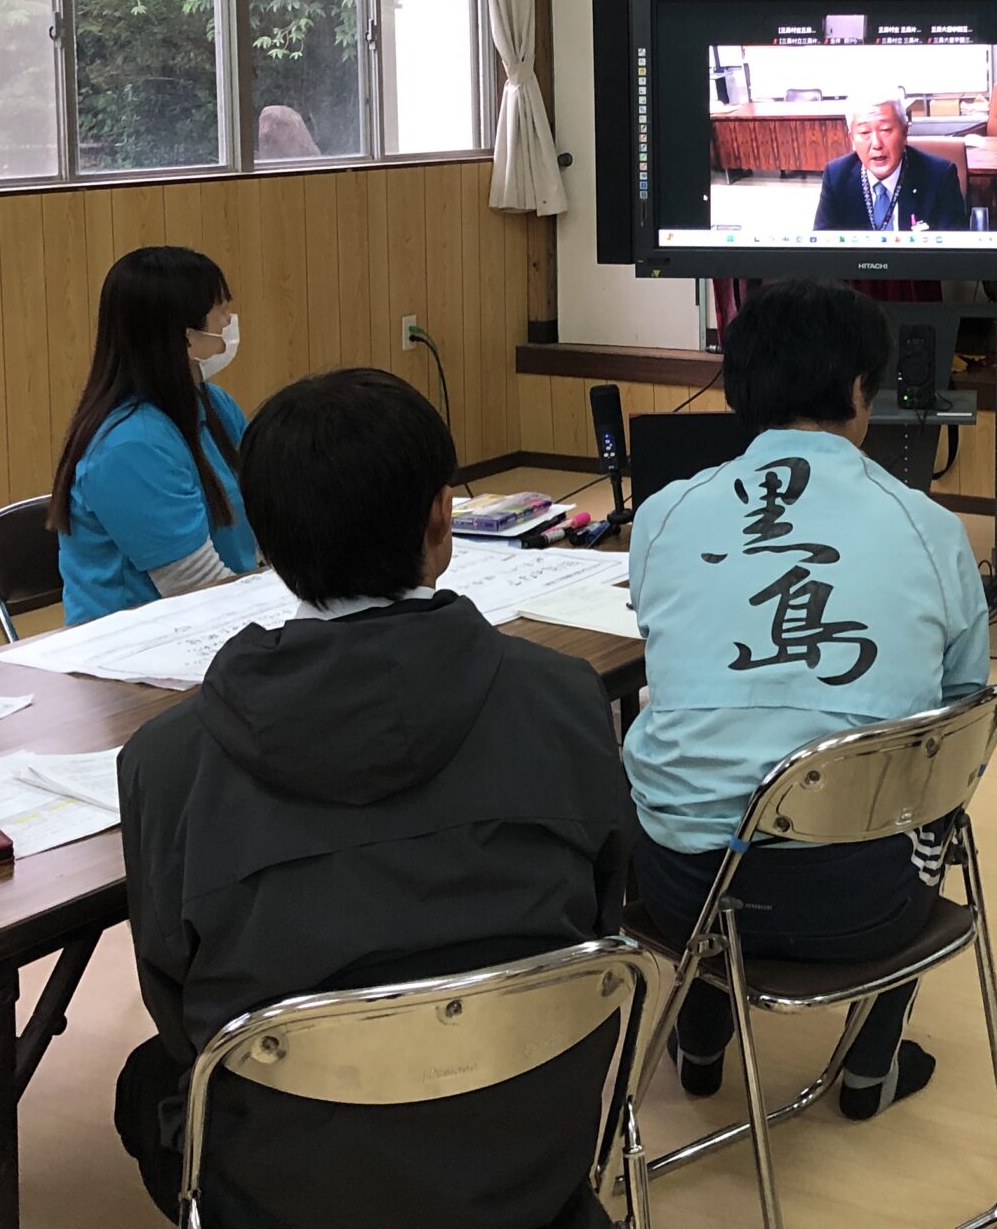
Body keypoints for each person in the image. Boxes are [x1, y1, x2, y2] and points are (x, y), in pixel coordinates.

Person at [114, 368, 632, 1229]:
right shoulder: (567, 700)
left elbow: (178, 1005)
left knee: (149, 1082)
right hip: (531, 1169)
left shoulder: (167, 764)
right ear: (442, 520)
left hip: (292, 1193)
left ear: (266, 545)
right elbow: (602, 915)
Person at [625, 278, 990, 1119]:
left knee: (700, 773)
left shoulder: (665, 513)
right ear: (861, 390)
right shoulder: (929, 527)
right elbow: (963, 708)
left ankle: (701, 1039)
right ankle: (869, 1067)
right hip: (858, 905)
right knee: (932, 779)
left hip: (678, 894)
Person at [49, 247, 256, 624]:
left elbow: (266, 509)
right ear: (186, 337)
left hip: (219, 611)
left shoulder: (213, 404)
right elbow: (194, 586)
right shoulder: (129, 446)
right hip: (140, 642)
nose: (230, 320)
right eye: (220, 311)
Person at [812, 93, 968, 233]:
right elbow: (822, 245)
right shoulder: (836, 176)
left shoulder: (939, 177)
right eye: (865, 132)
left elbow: (954, 249)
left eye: (885, 130)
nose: (876, 144)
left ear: (904, 132)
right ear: (852, 139)